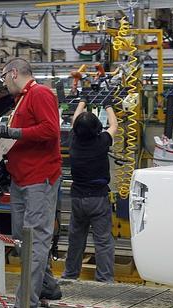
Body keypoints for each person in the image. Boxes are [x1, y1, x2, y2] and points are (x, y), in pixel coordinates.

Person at [0, 58, 62, 308]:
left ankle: (26, 304)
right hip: (20, 179)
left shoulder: (40, 93)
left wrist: (13, 132)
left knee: (34, 240)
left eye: (3, 77)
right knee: (23, 238)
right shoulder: (20, 100)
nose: (3, 82)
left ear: (13, 74)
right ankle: (46, 285)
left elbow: (50, 130)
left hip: (39, 179)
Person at [61, 97, 117, 282]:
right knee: (103, 241)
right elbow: (114, 126)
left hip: (77, 199)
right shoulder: (102, 141)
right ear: (97, 129)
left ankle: (70, 276)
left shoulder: (73, 141)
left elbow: (76, 120)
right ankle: (104, 280)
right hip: (98, 199)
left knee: (76, 240)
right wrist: (108, 105)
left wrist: (82, 103)